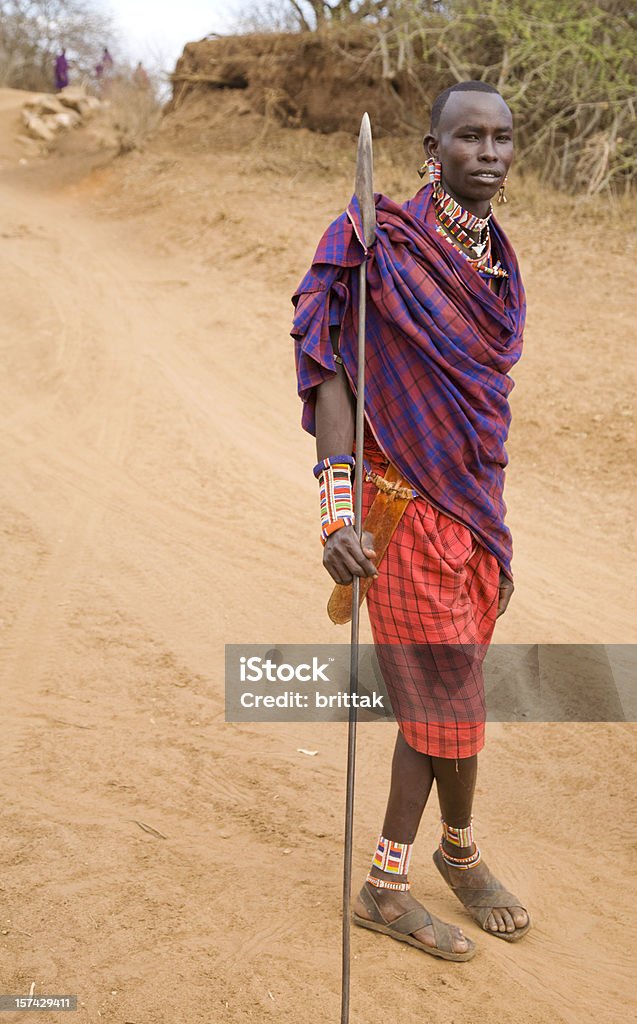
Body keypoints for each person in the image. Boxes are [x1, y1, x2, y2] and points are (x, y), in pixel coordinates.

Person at [291, 81, 531, 961]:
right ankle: (386, 889)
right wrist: (335, 519)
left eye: (502, 138)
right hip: (398, 519)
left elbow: (479, 401)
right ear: (432, 147)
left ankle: (458, 852)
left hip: (472, 511)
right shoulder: (373, 245)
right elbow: (333, 380)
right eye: (468, 138)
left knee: (457, 699)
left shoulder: (496, 264)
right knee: (442, 706)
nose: (489, 153)